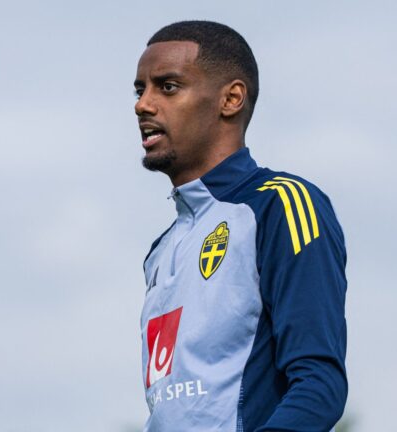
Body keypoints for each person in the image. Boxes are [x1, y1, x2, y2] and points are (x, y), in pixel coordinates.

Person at [135, 21, 347, 430]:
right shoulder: (160, 250)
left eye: (168, 87)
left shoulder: (280, 204)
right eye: (139, 90)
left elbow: (319, 387)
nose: (143, 105)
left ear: (231, 99)